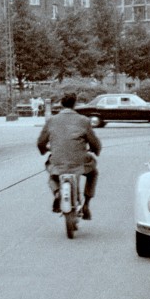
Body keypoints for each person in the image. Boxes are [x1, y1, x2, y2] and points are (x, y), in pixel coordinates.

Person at [37, 92, 101, 220]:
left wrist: (44, 150)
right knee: (93, 173)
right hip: (79, 162)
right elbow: (94, 142)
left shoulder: (51, 121)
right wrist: (95, 150)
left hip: (58, 162)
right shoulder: (83, 121)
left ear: (61, 104)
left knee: (52, 175)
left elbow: (41, 142)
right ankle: (86, 204)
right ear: (75, 104)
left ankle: (57, 192)